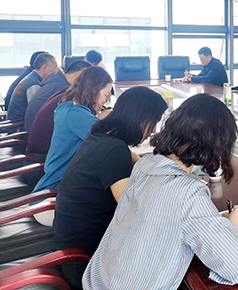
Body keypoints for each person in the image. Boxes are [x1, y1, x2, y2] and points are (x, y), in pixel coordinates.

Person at [83, 94, 238, 289]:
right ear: (217, 147)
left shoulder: (143, 165)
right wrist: (235, 228)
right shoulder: (188, 194)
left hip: (97, 282)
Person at [54, 87, 167, 255]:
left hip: (70, 234)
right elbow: (132, 208)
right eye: (153, 122)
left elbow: (133, 156)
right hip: (86, 250)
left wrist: (154, 168)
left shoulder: (101, 133)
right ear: (139, 118)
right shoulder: (115, 150)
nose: (154, 130)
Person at [33, 67, 113, 192]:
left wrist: (99, 119)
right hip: (59, 189)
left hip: (61, 181)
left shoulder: (68, 106)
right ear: (95, 90)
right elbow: (110, 142)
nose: (107, 99)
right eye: (106, 93)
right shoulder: (76, 113)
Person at [24, 60, 91, 130]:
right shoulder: (63, 89)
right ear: (79, 74)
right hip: (43, 132)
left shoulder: (56, 81)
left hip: (35, 129)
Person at [7, 53, 60, 121]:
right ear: (45, 68)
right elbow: (35, 111)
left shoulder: (32, 78)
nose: (56, 71)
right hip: (18, 124)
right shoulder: (34, 85)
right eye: (55, 67)